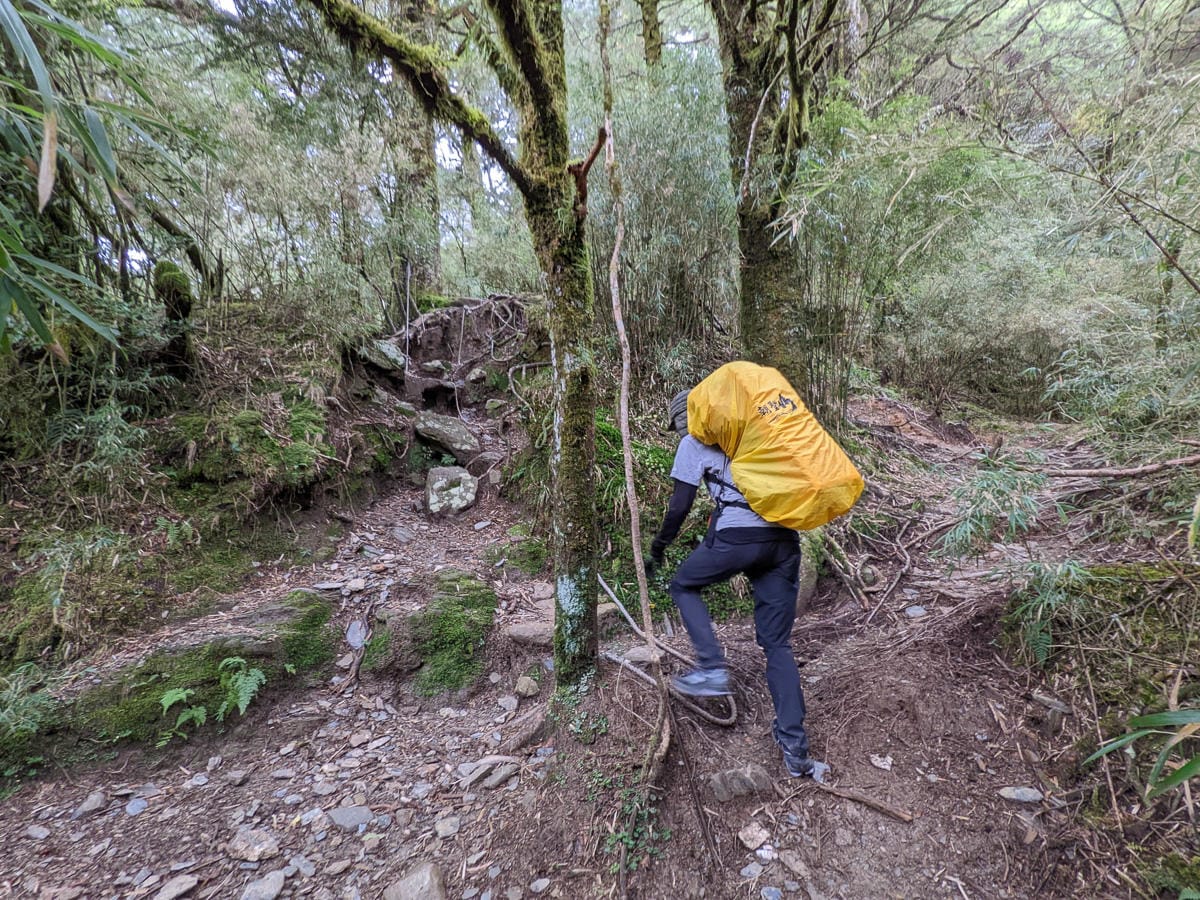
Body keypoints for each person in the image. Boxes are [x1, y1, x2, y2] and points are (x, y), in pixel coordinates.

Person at [646, 388, 822, 779]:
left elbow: (679, 506)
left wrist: (658, 546)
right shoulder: (756, 437)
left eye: (678, 426)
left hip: (738, 539)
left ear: (688, 420)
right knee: (777, 644)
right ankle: (795, 746)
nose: (679, 433)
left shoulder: (693, 443)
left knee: (683, 586)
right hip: (784, 542)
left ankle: (710, 667)